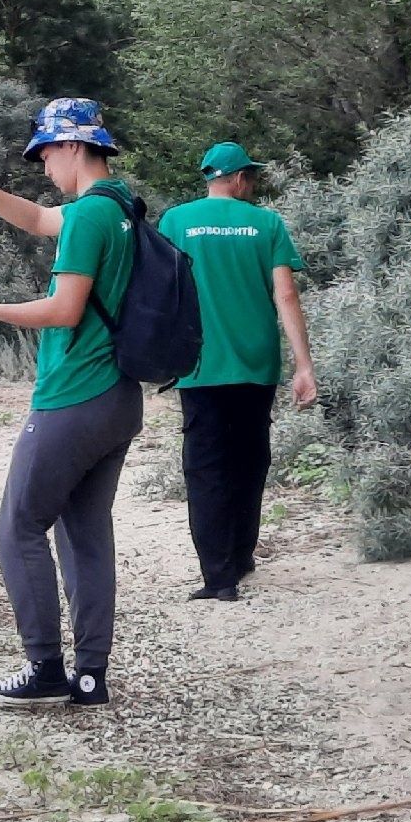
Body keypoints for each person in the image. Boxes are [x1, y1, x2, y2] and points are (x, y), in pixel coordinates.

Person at [0, 98, 143, 708]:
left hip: (73, 396)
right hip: (118, 398)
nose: (45, 166)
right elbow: (36, 219)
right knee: (86, 532)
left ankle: (45, 668)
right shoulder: (119, 207)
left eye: (47, 153)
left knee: (18, 526)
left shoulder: (89, 216)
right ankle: (90, 677)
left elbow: (65, 310)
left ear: (74, 146)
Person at [160, 143, 316, 602]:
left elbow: (162, 288)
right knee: (249, 459)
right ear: (239, 177)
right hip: (256, 362)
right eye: (250, 175)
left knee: (206, 466)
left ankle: (219, 577)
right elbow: (286, 296)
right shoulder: (267, 223)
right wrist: (304, 365)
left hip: (201, 363)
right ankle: (242, 555)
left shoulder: (176, 221)